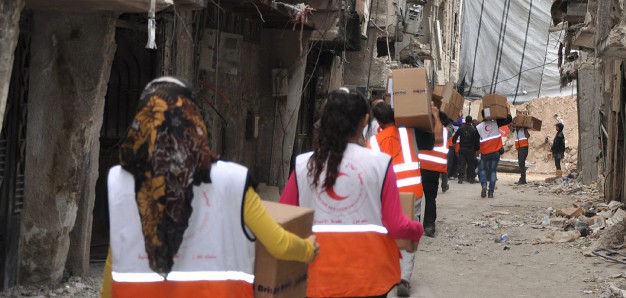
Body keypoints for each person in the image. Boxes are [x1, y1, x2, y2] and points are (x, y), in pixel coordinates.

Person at [101, 76, 318, 298]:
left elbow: (114, 264)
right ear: (194, 119)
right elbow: (277, 243)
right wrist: (308, 249)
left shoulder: (120, 182)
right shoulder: (233, 181)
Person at [280, 89, 423, 298]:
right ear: (365, 121)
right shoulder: (380, 164)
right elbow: (395, 224)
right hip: (369, 277)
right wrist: (416, 230)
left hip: (317, 276)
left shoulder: (304, 164)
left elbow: (284, 218)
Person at [368, 100, 433, 297]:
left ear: (378, 123)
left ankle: (386, 274)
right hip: (412, 192)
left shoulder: (372, 142)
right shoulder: (409, 133)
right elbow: (430, 142)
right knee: (408, 234)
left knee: (386, 235)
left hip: (387, 195)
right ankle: (404, 277)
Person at [418, 111, 451, 237]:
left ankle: (415, 223)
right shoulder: (445, 131)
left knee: (417, 198)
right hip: (433, 169)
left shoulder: (423, 130)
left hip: (420, 167)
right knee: (430, 199)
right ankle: (429, 226)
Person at [476, 113, 513, 198]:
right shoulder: (495, 123)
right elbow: (508, 120)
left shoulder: (479, 127)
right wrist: (507, 113)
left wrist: (477, 149)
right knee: (493, 171)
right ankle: (491, 192)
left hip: (485, 153)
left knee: (482, 170)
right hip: (495, 152)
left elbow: (476, 141)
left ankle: (484, 184)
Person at [451, 116, 478, 184]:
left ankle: (460, 178)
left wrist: (454, 143)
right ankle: (471, 179)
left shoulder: (461, 128)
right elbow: (476, 141)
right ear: (471, 121)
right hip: (471, 149)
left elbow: (454, 137)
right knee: (471, 164)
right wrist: (476, 149)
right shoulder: (473, 130)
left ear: (465, 120)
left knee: (461, 164)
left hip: (462, 148)